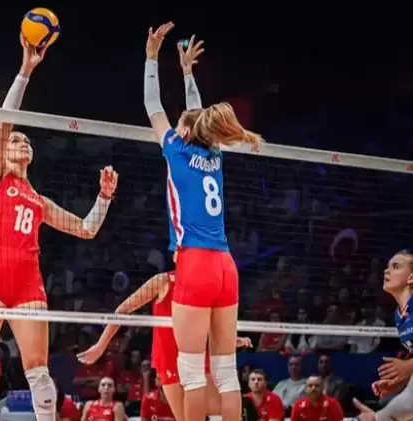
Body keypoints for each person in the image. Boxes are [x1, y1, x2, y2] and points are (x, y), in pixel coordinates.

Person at [0, 34, 118, 421]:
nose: (22, 142)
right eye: (16, 140)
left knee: (40, 376)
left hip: (28, 282)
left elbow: (86, 229)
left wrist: (104, 197)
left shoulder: (38, 200)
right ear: (3, 152)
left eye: (27, 140)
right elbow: (5, 122)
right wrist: (25, 71)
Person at [143, 21, 261, 421]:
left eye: (181, 122)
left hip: (194, 263)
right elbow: (197, 116)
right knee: (226, 374)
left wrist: (151, 58)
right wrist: (188, 73)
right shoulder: (215, 155)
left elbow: (153, 106)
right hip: (226, 265)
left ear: (185, 130)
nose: (176, 122)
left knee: (192, 373)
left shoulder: (176, 149)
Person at [77, 271, 252, 419]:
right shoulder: (162, 281)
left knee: (222, 412)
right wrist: (101, 346)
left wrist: (228, 338)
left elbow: (206, 321)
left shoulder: (203, 285)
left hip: (196, 354)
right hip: (169, 359)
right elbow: (122, 311)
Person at [353, 250, 413, 421]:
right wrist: (399, 381)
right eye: (387, 267)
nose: (387, 271)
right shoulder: (399, 316)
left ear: (411, 278)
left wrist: (408, 365)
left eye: (396, 267)